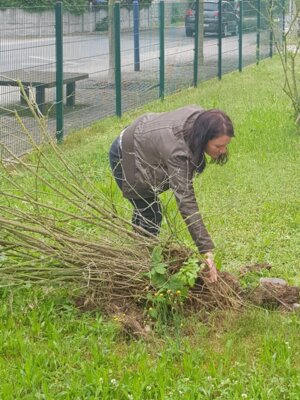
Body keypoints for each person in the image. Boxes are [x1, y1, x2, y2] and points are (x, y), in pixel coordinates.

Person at [109, 105, 234, 283]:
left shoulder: (201, 121)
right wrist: (206, 251)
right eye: (218, 146)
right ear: (203, 138)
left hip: (145, 140)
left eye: (225, 145)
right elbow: (186, 201)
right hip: (126, 154)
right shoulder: (178, 150)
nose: (222, 150)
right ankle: (141, 268)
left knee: (147, 214)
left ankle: (140, 255)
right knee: (150, 213)